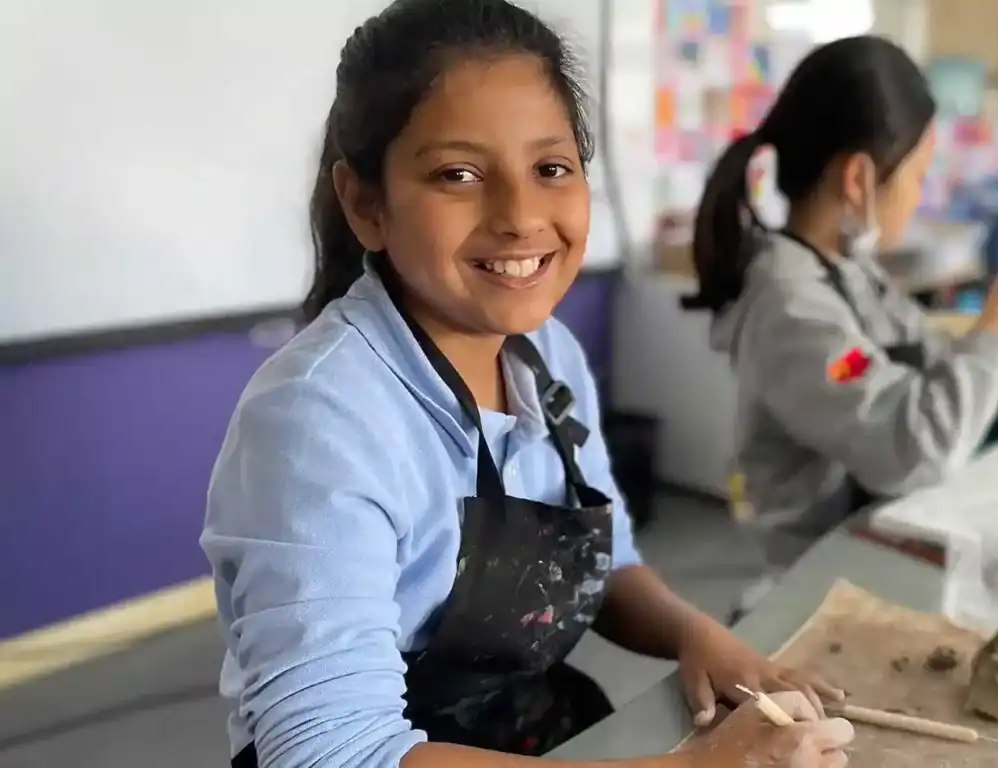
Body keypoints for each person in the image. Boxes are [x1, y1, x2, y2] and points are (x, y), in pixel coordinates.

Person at [200, 2, 853, 767]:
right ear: (366, 204)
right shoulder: (317, 421)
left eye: (551, 168)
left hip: (528, 729)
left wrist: (694, 633)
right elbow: (331, 751)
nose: (520, 217)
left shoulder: (547, 355)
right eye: (459, 174)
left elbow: (603, 565)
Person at [683, 37, 998, 603]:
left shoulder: (845, 273)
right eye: (917, 175)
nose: (918, 195)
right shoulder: (791, 307)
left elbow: (918, 365)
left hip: (875, 545)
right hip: (821, 582)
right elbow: (916, 450)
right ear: (859, 178)